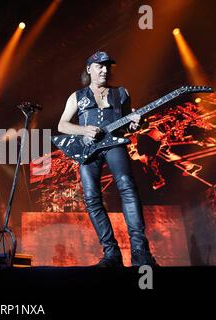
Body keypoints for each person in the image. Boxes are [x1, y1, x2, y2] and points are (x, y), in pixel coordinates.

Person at [57, 51, 157, 267]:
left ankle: (140, 251)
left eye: (107, 66)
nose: (104, 70)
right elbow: (62, 125)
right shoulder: (77, 96)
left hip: (114, 144)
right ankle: (112, 254)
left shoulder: (121, 93)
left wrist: (136, 122)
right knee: (92, 198)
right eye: (99, 66)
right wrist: (83, 130)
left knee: (127, 187)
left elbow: (131, 123)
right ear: (89, 69)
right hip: (88, 149)